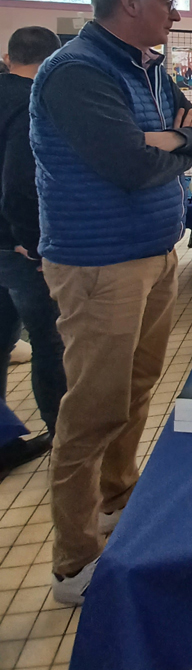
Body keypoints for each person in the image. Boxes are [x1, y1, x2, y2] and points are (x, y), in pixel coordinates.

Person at [30, 0, 192, 604]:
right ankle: (74, 560)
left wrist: (167, 140)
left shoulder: (149, 68)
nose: (176, 14)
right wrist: (173, 143)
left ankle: (118, 496)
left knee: (138, 387)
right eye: (167, 2)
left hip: (155, 254)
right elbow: (129, 166)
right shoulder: (77, 71)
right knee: (93, 407)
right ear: (129, 2)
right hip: (99, 263)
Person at [0, 26, 66, 478]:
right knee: (49, 341)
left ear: (10, 56)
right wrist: (33, 241)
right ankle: (66, 441)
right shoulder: (33, 103)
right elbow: (21, 181)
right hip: (19, 247)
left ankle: (4, 441)